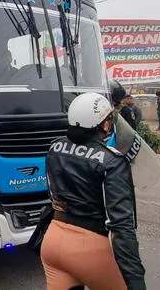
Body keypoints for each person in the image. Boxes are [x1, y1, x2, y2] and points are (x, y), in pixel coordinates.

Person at [42, 92, 146, 290]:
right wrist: (136, 280)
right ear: (104, 124)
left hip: (53, 241)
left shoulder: (54, 148)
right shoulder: (112, 161)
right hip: (89, 247)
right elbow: (121, 225)